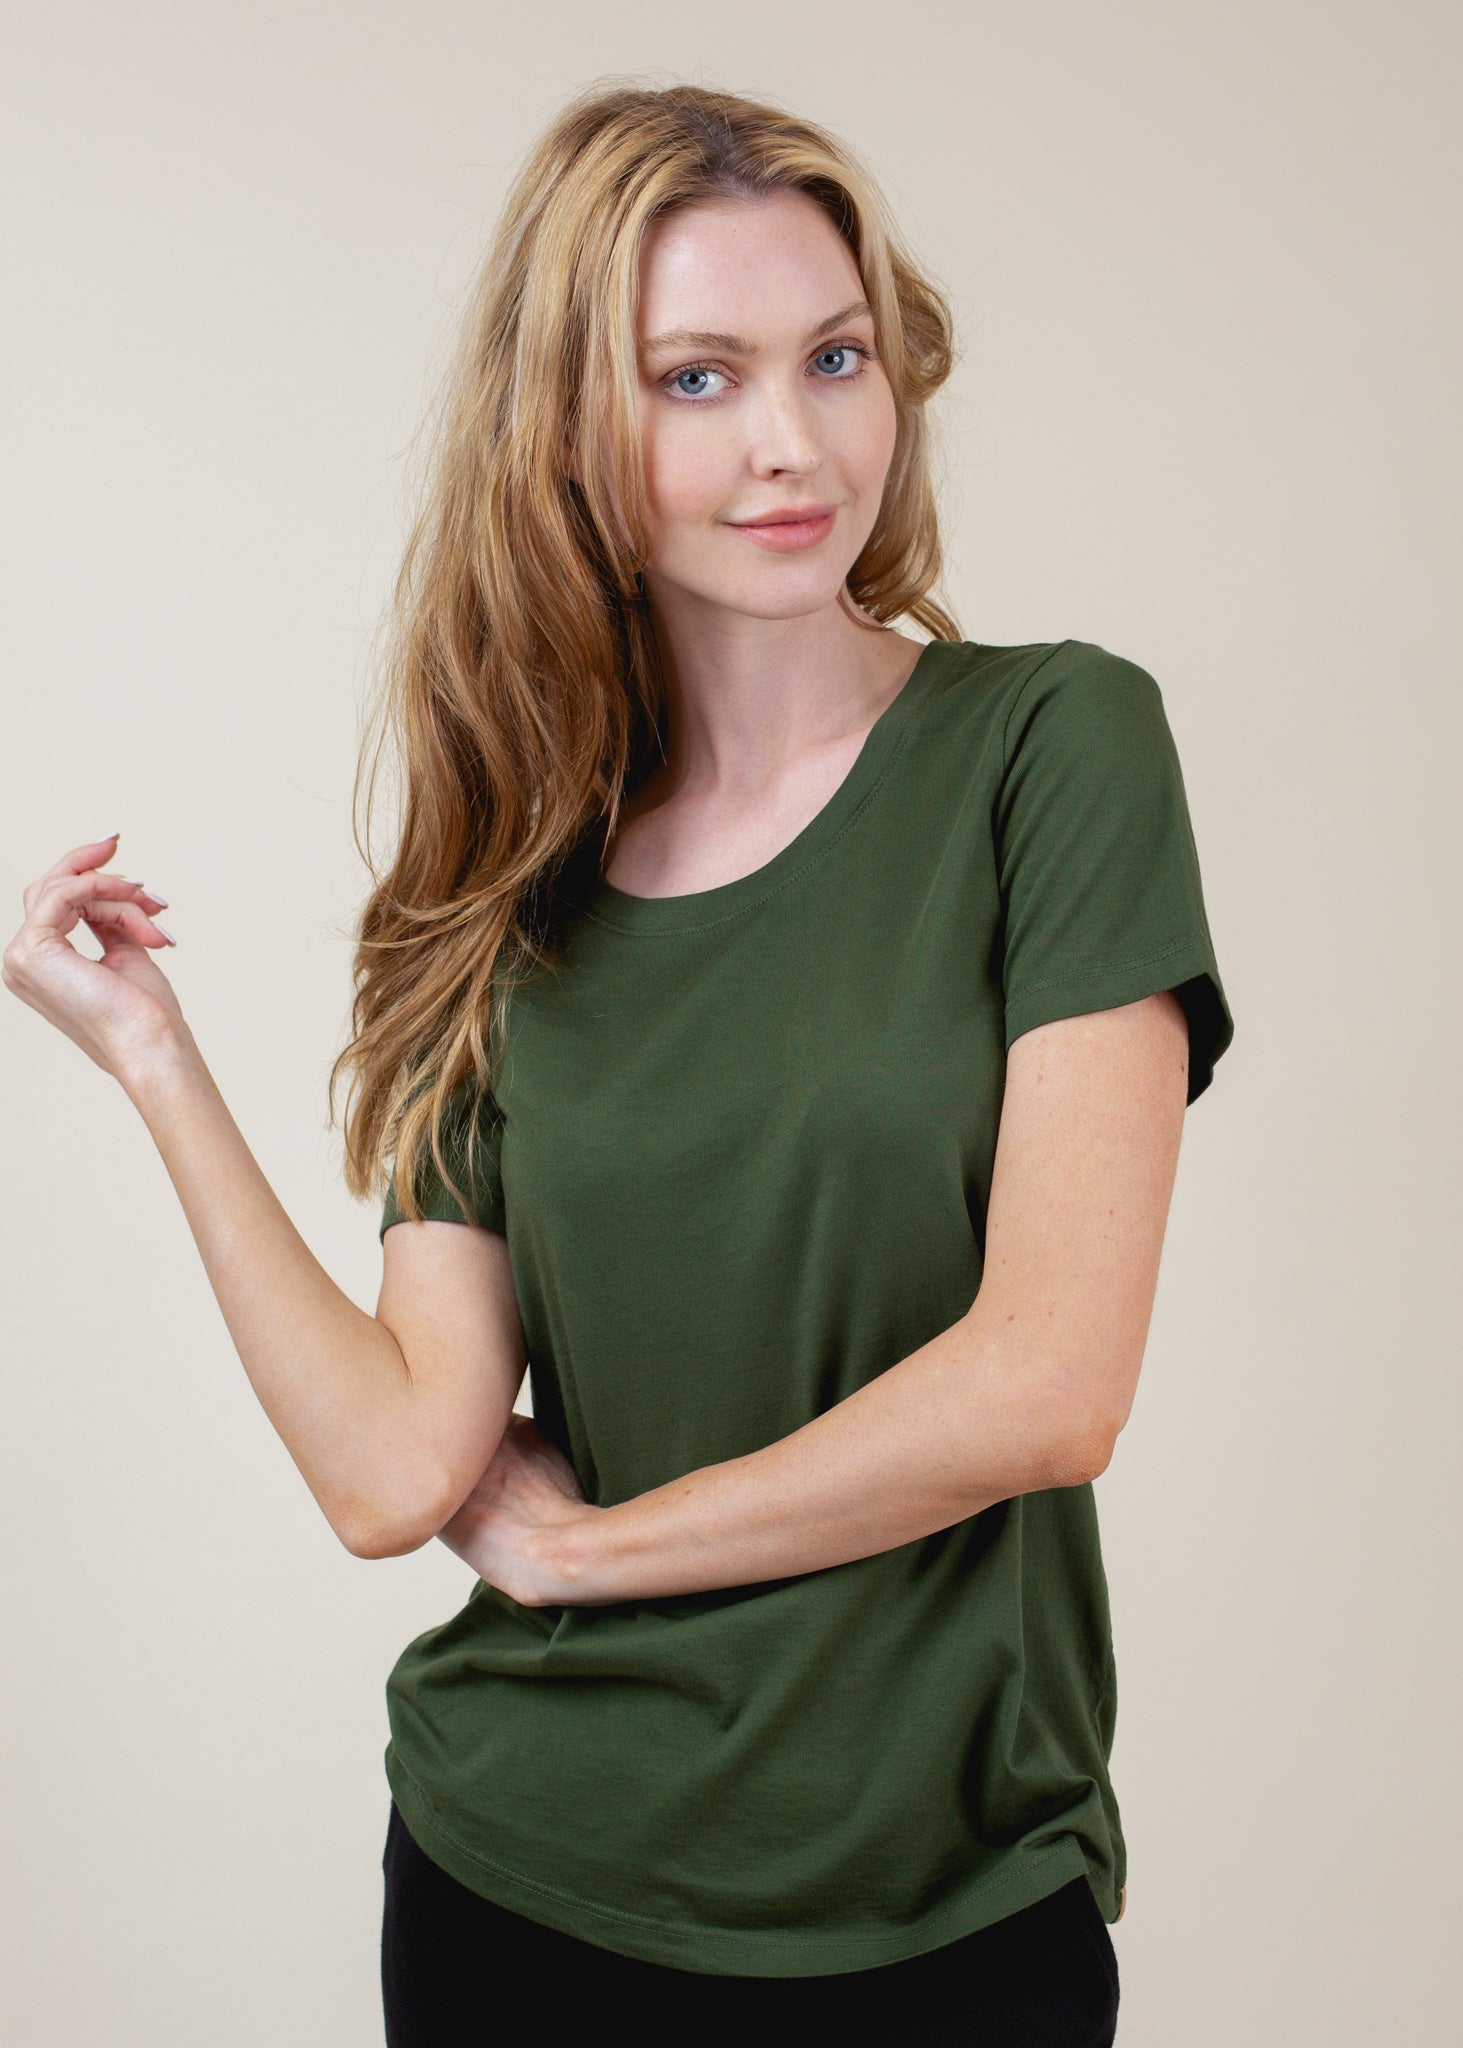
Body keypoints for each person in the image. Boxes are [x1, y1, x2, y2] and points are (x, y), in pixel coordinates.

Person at [4, 77, 1234, 2048]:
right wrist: (154, 1060)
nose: (790, 440)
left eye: (835, 357)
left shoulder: (1052, 750)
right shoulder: (502, 895)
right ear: (569, 428)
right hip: (525, 1888)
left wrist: (596, 1547)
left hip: (949, 1901)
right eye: (696, 378)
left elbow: (1049, 1382)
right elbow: (398, 1469)